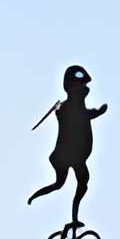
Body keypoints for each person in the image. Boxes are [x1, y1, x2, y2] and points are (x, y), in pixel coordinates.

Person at [27, 65, 107, 211]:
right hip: (66, 155)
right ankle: (33, 198)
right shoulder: (67, 108)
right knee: (60, 184)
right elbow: (81, 114)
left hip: (77, 157)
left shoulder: (77, 108)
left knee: (81, 183)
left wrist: (99, 111)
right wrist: (98, 111)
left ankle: (74, 218)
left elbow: (86, 114)